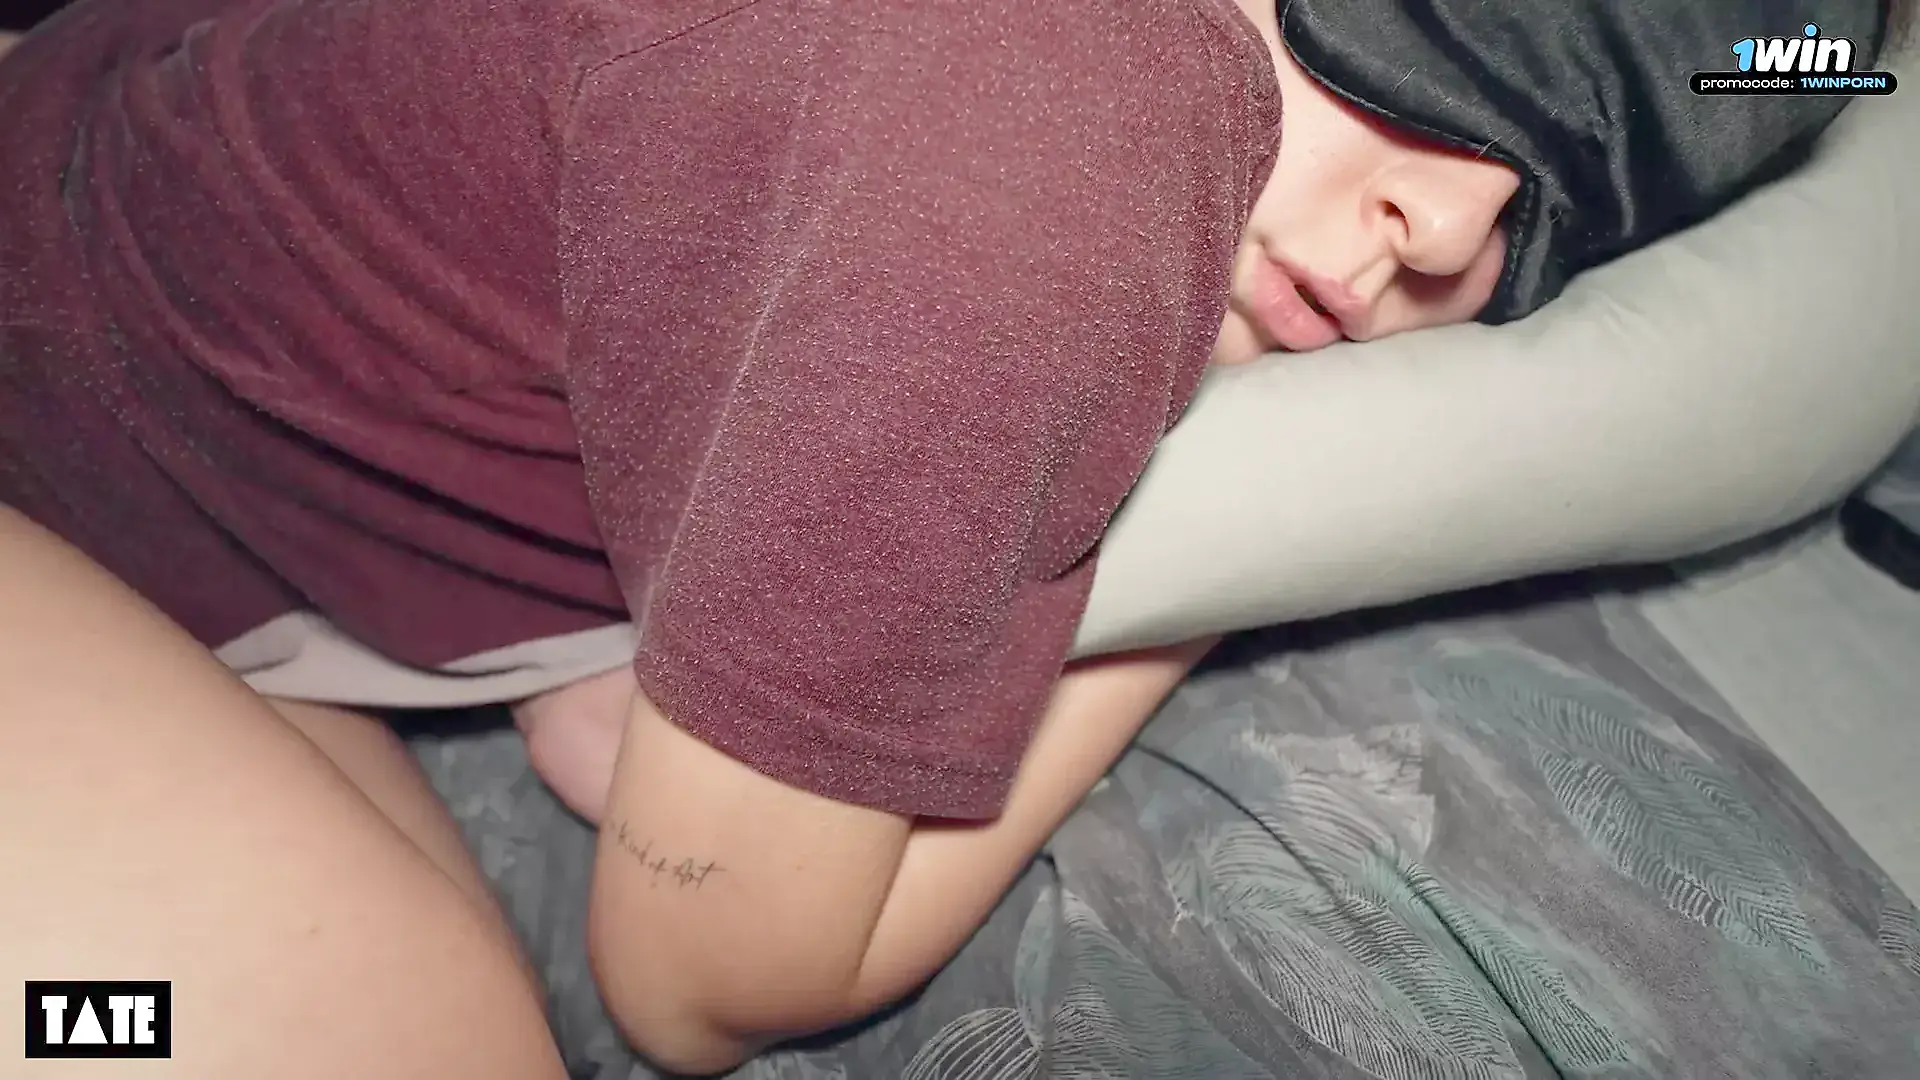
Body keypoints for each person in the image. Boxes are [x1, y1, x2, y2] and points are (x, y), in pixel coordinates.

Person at [0, 0, 1897, 1076]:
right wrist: (1243, 555)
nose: (1456, 229)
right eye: (1453, 33)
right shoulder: (1042, 144)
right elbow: (708, 974)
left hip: (199, 441)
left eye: (1576, 202)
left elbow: (1810, 66)